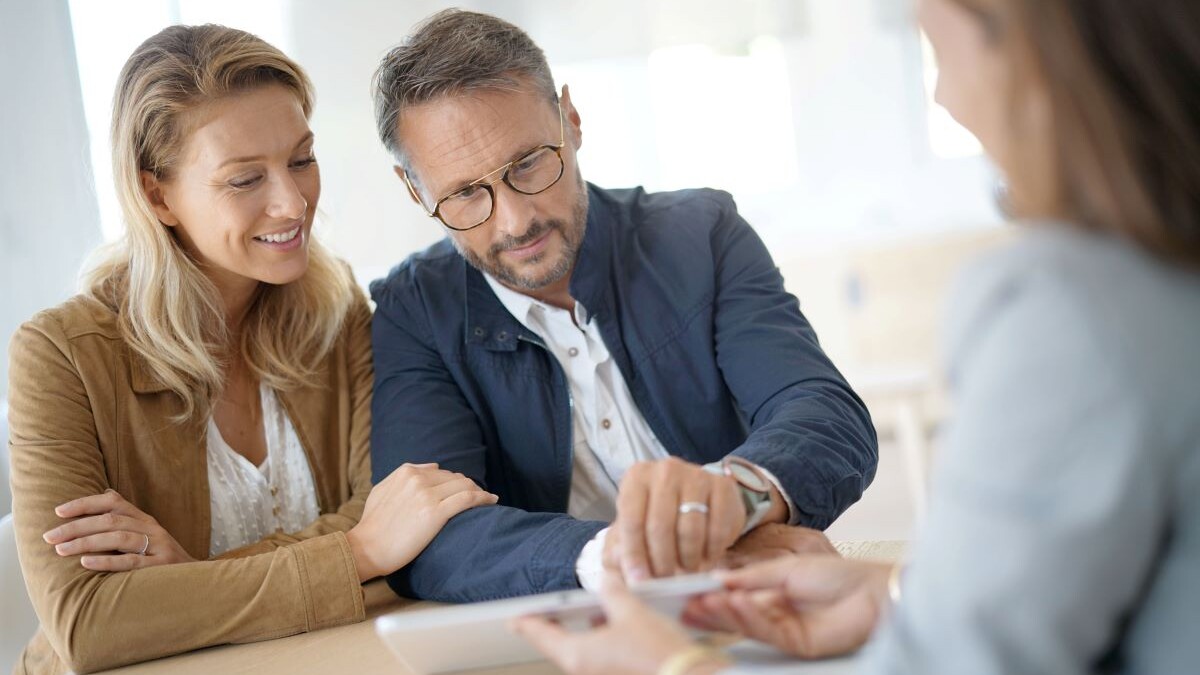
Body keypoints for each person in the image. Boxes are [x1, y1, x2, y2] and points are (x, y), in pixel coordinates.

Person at [512, 0, 1200, 672]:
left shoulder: (1072, 317)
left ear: (1032, 53)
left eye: (937, 46)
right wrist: (898, 594)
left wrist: (677, 664)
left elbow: (826, 416)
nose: (944, 97)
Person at [6, 25, 497, 674]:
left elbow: (404, 536)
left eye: (301, 158)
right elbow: (88, 624)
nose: (293, 203)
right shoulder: (57, 356)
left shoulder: (340, 314)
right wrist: (355, 553)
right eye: (244, 180)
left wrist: (190, 580)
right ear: (157, 194)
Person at [367, 8, 878, 603]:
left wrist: (733, 502)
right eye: (463, 193)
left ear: (571, 119)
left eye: (529, 162)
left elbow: (823, 413)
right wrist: (616, 558)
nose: (515, 220)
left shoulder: (704, 233)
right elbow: (430, 538)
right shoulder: (413, 309)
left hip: (752, 596)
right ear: (415, 189)